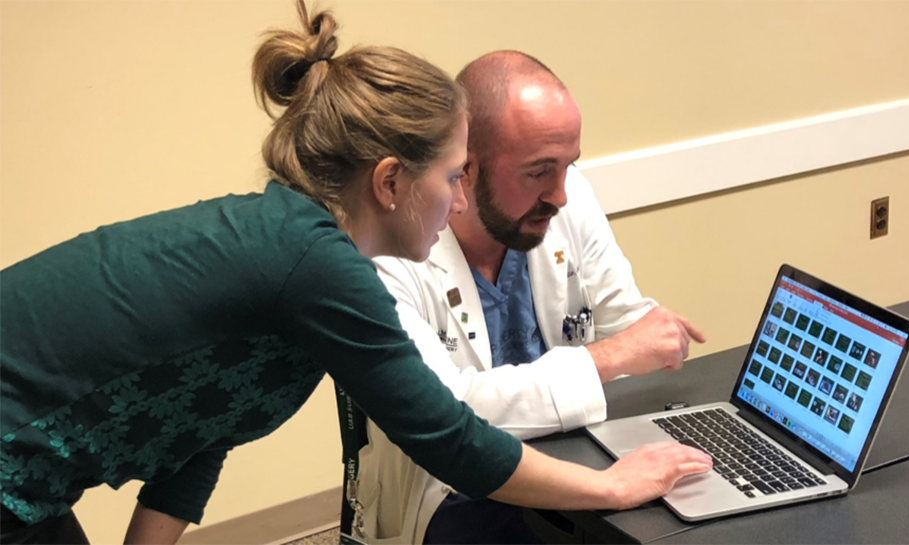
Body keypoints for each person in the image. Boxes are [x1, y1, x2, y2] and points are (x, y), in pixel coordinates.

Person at [0, 5, 712, 545]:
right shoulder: (315, 264)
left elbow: (205, 421)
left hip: (28, 464)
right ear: (391, 181)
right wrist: (610, 486)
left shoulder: (293, 250)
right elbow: (450, 438)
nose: (461, 200)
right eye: (453, 176)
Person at [363, 51, 708, 545]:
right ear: (466, 169)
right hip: (456, 491)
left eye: (568, 166)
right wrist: (606, 359)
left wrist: (650, 339)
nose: (562, 194)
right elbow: (450, 416)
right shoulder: (388, 248)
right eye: (539, 171)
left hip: (572, 453)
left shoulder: (563, 197)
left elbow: (629, 325)